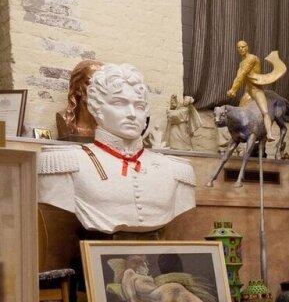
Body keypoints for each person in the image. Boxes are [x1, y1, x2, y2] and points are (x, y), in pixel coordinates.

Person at [37, 63, 197, 234]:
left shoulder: (175, 170)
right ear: (96, 107)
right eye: (119, 103)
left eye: (139, 106)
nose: (132, 114)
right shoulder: (66, 163)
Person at [226, 40, 275, 140]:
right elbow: (238, 77)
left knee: (265, 112)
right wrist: (232, 90)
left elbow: (242, 74)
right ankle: (241, 134)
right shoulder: (241, 63)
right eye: (239, 48)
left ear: (247, 47)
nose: (241, 49)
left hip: (256, 89)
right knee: (241, 112)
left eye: (243, 47)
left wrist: (233, 90)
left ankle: (269, 134)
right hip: (248, 91)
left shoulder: (252, 58)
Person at [55, 59, 103, 141]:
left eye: (103, 85)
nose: (99, 90)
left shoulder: (110, 125)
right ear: (77, 87)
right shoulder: (64, 118)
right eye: (91, 83)